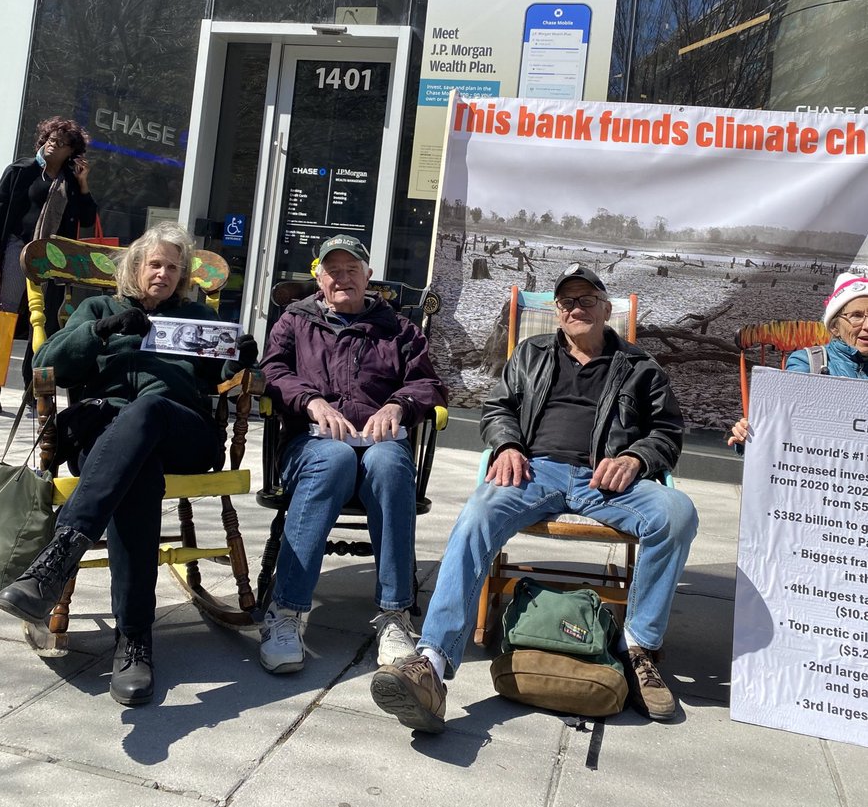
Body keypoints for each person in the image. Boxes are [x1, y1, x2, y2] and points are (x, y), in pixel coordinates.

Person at [370, 262, 699, 732]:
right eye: (567, 302)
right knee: (475, 517)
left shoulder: (641, 368)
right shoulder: (531, 353)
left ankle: (638, 649)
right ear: (557, 312)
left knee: (677, 512)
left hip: (605, 479)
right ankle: (432, 666)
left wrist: (638, 459)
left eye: (587, 300)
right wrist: (506, 444)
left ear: (607, 309)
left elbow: (667, 430)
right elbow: (498, 407)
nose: (576, 308)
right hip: (533, 470)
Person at [0, 223, 258, 707]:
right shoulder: (99, 309)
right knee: (137, 476)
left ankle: (56, 561)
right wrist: (100, 332)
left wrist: (237, 359)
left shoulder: (195, 317)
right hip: (108, 436)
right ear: (136, 267)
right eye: (155, 264)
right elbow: (46, 363)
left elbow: (220, 372)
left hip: (182, 430)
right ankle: (134, 644)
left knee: (149, 410)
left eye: (173, 268)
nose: (163, 273)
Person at [259, 233, 447, 675]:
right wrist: (310, 400)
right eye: (333, 270)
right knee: (335, 459)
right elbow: (272, 371)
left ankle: (394, 615)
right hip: (312, 444)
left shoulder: (399, 329)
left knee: (387, 462)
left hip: (380, 442)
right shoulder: (295, 320)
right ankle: (285, 613)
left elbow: (429, 384)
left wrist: (397, 405)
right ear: (319, 278)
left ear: (367, 276)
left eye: (352, 270)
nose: (343, 278)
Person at [0, 116, 97, 414]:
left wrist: (83, 184)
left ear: (72, 151)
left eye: (61, 143)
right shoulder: (21, 170)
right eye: (50, 139)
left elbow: (85, 219)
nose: (52, 145)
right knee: (4, 321)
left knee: (45, 329)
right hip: (16, 251)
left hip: (52, 258)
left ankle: (35, 396)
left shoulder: (70, 179)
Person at [728, 271, 868, 449]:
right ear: (834, 327)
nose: (867, 326)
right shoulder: (809, 363)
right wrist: (749, 439)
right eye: (856, 315)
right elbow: (784, 426)